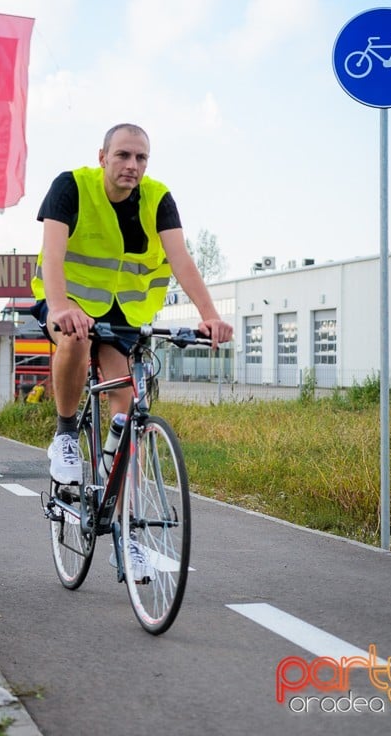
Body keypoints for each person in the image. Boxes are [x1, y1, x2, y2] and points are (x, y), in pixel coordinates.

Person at [31, 123, 233, 575]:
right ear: (102, 156)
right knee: (76, 338)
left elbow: (181, 259)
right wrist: (61, 308)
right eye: (123, 156)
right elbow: (54, 253)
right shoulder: (72, 186)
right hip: (68, 303)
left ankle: (124, 529)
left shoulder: (159, 198)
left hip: (123, 315)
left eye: (141, 158)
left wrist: (210, 314)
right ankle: (65, 435)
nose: (132, 166)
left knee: (127, 411)